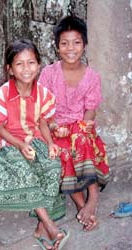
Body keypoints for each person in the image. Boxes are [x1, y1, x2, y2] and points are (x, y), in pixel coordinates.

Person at [0, 39, 69, 250]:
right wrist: (20, 146)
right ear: (10, 69)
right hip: (10, 142)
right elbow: (0, 128)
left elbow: (42, 123)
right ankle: (51, 227)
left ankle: (41, 227)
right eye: (19, 64)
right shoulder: (1, 96)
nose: (26, 69)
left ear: (39, 64)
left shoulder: (44, 95)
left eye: (31, 62)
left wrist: (50, 143)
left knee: (53, 166)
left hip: (34, 138)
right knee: (25, 169)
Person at [38, 15, 110, 232]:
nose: (71, 48)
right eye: (64, 43)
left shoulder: (92, 76)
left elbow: (91, 109)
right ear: (57, 47)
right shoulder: (48, 73)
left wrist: (83, 127)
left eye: (76, 42)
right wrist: (53, 126)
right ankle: (84, 207)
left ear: (84, 45)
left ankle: (93, 197)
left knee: (79, 137)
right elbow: (43, 109)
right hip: (55, 129)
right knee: (63, 152)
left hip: (81, 129)